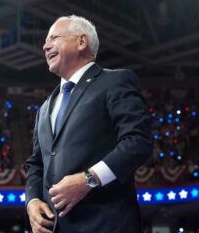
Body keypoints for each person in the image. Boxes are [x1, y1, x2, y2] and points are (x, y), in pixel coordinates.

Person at [25, 15, 152, 233]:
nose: (45, 46)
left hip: (105, 224)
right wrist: (32, 201)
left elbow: (138, 141)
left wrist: (89, 179)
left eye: (54, 38)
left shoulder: (115, 81)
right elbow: (36, 164)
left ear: (81, 42)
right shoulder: (44, 108)